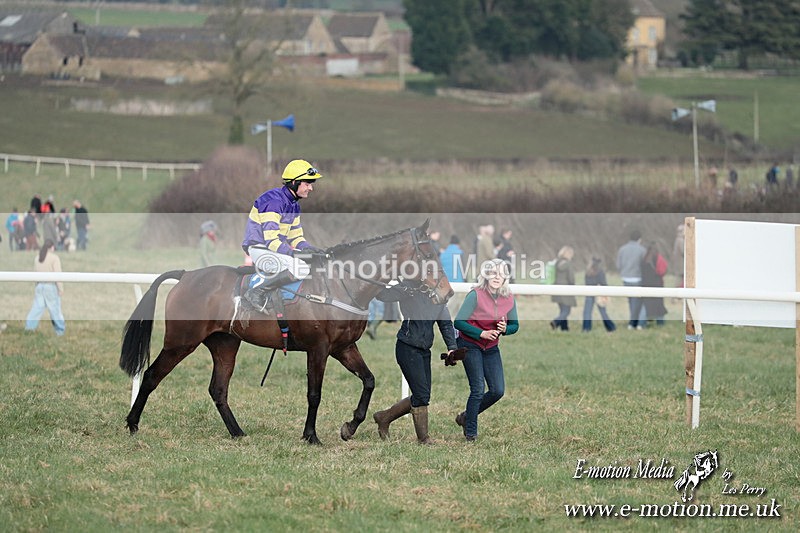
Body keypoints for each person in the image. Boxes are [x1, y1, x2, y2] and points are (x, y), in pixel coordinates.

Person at [372, 279, 458, 444]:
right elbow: (383, 295)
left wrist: (452, 347)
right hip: (407, 348)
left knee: (423, 396)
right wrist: (381, 278)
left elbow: (446, 324)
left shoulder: (438, 295)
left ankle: (384, 417)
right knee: (421, 396)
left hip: (424, 350)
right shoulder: (408, 287)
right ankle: (423, 439)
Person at [241, 159, 325, 310]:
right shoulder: (273, 201)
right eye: (307, 184)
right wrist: (295, 254)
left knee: (312, 263)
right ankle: (256, 292)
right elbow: (271, 241)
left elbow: (296, 237)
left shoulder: (294, 205)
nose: (311, 188)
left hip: (273, 250)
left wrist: (311, 250)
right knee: (301, 268)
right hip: (260, 249)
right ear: (294, 182)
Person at [453, 258, 519, 442]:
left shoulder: (508, 297)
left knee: (498, 391)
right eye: (493, 273)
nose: (497, 277)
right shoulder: (475, 295)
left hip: (491, 347)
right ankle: (471, 434)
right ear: (486, 275)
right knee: (477, 389)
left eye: (501, 274)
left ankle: (466, 417)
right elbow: (458, 322)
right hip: (469, 344)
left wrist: (505, 329)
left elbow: (515, 326)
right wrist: (481, 333)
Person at [25, 239, 66, 336]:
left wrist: (37, 286)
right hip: (50, 286)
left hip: (40, 286)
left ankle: (29, 328)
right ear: (52, 247)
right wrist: (60, 288)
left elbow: (35, 273)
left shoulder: (38, 258)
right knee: (55, 310)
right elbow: (58, 274)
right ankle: (60, 330)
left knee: (36, 309)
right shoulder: (54, 258)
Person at [616, 230, 647, 330]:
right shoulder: (642, 250)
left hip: (625, 278)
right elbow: (645, 265)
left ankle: (632, 322)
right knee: (637, 302)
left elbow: (618, 265)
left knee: (631, 301)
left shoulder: (622, 249)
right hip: (637, 278)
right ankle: (634, 323)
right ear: (639, 239)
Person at [582, 257, 616, 333]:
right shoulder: (600, 272)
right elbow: (604, 283)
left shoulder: (588, 272)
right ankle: (611, 327)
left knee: (587, 312)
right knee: (603, 312)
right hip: (599, 294)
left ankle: (586, 328)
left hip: (589, 293)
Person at [549, 245, 576, 331]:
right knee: (566, 311)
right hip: (566, 289)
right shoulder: (568, 264)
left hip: (556, 288)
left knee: (562, 310)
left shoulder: (556, 262)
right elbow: (571, 278)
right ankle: (555, 322)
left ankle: (565, 328)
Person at [641, 242, 668, 326]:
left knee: (646, 305)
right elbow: (662, 271)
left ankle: (642, 324)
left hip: (646, 284)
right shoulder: (658, 258)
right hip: (657, 283)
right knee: (659, 305)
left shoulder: (644, 259)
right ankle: (660, 323)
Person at [672, 223, 685, 288]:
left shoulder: (677, 240)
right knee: (679, 283)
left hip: (678, 265)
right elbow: (684, 252)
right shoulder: (680, 240)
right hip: (681, 266)